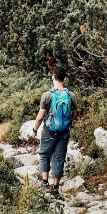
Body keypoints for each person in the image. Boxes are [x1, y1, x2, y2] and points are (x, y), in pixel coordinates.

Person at [32, 66, 78, 197]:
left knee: (44, 155)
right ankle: (56, 188)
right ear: (65, 79)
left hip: (49, 132)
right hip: (64, 132)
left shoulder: (47, 95)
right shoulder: (71, 95)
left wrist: (34, 129)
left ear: (53, 77)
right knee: (59, 159)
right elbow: (74, 115)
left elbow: (40, 116)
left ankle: (45, 182)